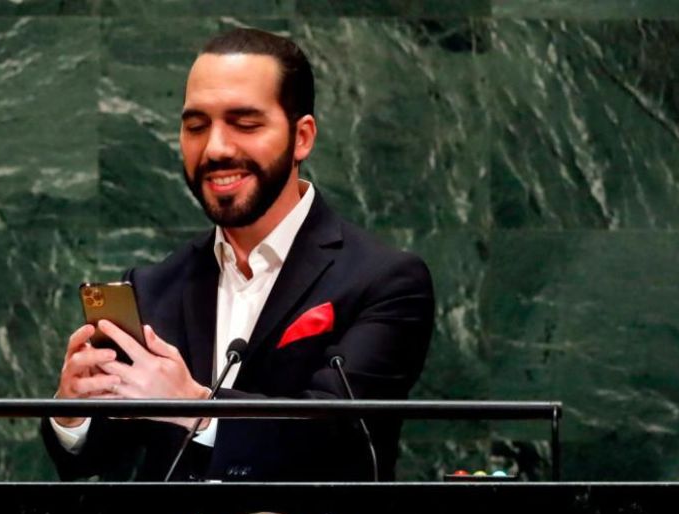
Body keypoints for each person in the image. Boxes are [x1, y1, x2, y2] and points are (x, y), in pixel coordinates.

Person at [40, 28, 434, 482]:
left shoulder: (385, 281)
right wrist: (72, 413)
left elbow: (341, 435)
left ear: (302, 137)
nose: (215, 148)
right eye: (195, 126)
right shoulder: (152, 288)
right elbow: (103, 462)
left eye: (245, 124)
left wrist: (196, 410)